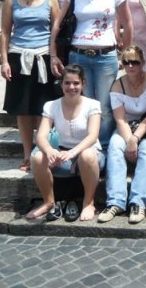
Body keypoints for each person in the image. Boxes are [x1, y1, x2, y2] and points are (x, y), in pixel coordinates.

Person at [50, 0, 133, 149]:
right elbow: (58, 23)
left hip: (105, 55)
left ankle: (102, 146)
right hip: (78, 54)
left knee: (104, 104)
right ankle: (84, 143)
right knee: (83, 102)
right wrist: (53, 53)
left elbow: (128, 24)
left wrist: (126, 53)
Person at [0, 0, 60, 172]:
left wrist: (54, 56)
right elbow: (5, 31)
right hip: (19, 55)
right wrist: (4, 60)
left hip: (43, 56)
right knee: (23, 109)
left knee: (42, 108)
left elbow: (55, 32)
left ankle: (42, 150)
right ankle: (27, 153)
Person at [26, 64, 105, 221]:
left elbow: (92, 136)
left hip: (88, 154)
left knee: (87, 155)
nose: (71, 87)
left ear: (83, 84)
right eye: (67, 83)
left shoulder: (93, 104)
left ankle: (88, 203)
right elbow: (41, 136)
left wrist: (72, 152)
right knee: (37, 157)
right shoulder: (51, 105)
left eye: (76, 83)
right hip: (61, 154)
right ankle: (49, 202)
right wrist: (50, 151)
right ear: (61, 84)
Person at [98, 46, 146, 224]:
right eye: (126, 62)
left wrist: (135, 139)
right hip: (126, 126)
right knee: (115, 147)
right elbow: (120, 119)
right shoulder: (117, 85)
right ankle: (115, 201)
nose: (131, 66)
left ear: (142, 63)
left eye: (135, 62)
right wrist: (129, 140)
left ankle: (138, 201)